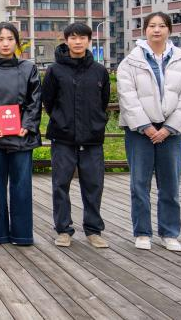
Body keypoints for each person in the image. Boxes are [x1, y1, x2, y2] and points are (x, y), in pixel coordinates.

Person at [117, 12, 181, 252]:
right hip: (139, 131)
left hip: (171, 132)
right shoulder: (130, 61)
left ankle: (169, 233)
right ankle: (142, 232)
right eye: (152, 26)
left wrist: (169, 128)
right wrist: (147, 127)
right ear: (145, 30)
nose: (157, 30)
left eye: (162, 26)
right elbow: (127, 97)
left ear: (169, 30)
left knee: (170, 185)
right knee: (139, 184)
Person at [42, 23, 110, 248]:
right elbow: (48, 101)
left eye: (82, 37)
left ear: (89, 40)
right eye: (73, 37)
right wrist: (62, 120)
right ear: (66, 40)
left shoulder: (99, 71)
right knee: (60, 184)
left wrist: (95, 122)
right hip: (63, 136)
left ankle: (93, 230)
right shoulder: (55, 70)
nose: (78, 41)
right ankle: (63, 229)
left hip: (92, 138)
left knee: (94, 185)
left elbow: (103, 101)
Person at [0, 22, 42, 246]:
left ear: (17, 42)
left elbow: (35, 101)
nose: (5, 44)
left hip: (22, 135)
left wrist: (28, 124)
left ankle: (22, 234)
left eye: (10, 39)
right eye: (1, 39)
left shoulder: (29, 68)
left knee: (21, 186)